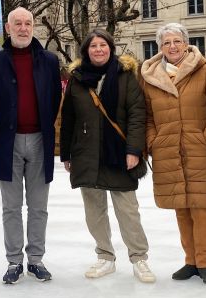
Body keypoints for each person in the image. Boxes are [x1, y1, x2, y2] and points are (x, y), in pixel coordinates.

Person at [59, 29, 155, 283]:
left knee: (128, 210)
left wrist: (134, 150)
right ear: (86, 51)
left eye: (103, 45)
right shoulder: (77, 79)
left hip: (118, 153)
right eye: (93, 46)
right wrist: (66, 153)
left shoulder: (125, 76)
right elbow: (68, 117)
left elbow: (137, 115)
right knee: (94, 210)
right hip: (86, 154)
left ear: (111, 48)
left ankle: (139, 258)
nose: (98, 49)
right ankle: (105, 256)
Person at [140, 23, 206, 285]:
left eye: (177, 41)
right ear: (160, 47)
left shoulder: (205, 73)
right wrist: (153, 141)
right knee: (181, 207)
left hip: (198, 149)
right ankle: (190, 261)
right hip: (167, 149)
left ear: (186, 43)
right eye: (166, 42)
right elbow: (147, 116)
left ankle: (205, 262)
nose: (172, 46)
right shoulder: (151, 78)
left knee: (202, 207)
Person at [0, 7, 62, 284]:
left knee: (39, 206)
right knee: (11, 207)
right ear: (8, 28)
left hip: (40, 140)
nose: (23, 28)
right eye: (18, 23)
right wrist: (4, 126)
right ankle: (14, 261)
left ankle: (36, 260)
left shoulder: (49, 61)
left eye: (28, 23)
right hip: (8, 143)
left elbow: (53, 101)